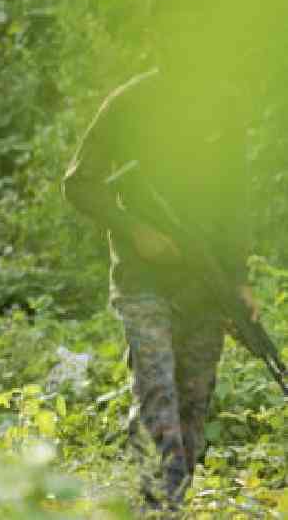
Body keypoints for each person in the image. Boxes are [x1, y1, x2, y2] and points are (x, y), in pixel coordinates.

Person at [63, 67, 258, 511]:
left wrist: (239, 279)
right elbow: (79, 184)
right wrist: (134, 230)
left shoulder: (224, 102)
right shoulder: (129, 103)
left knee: (193, 404)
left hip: (205, 283)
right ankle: (156, 508)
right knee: (157, 397)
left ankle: (170, 506)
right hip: (143, 281)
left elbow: (236, 200)